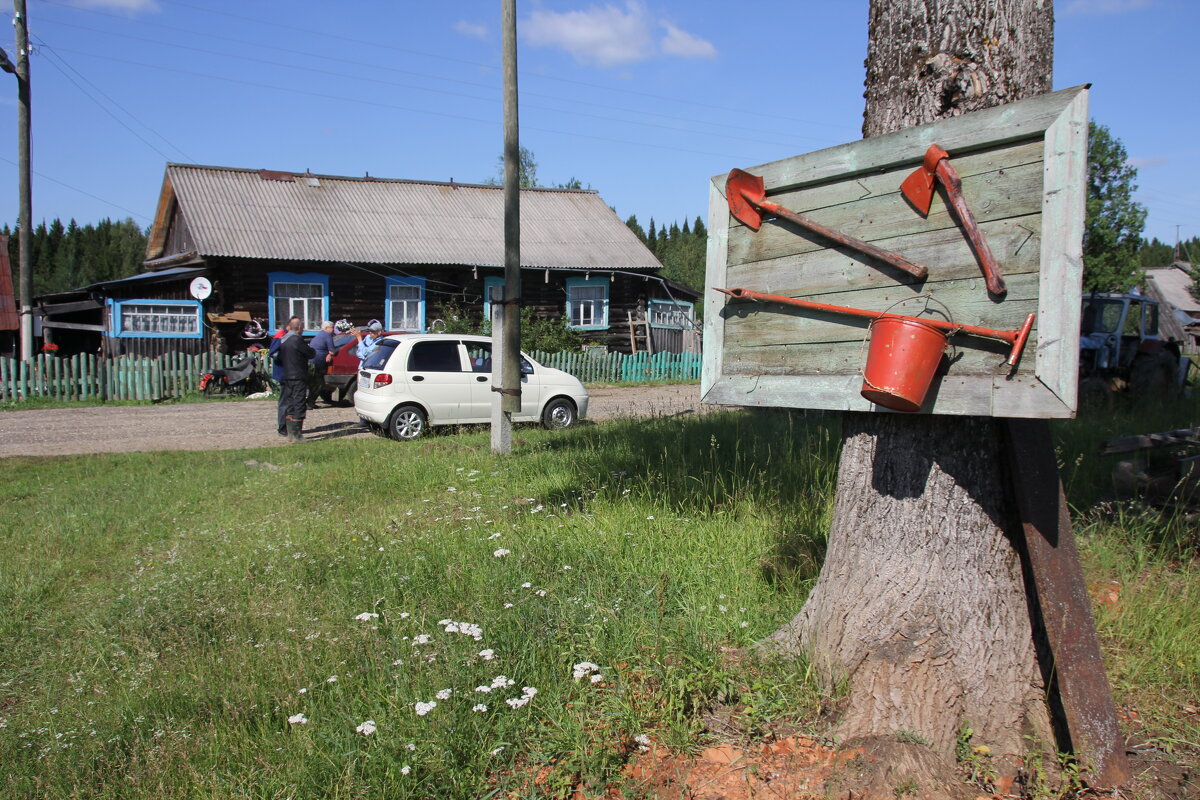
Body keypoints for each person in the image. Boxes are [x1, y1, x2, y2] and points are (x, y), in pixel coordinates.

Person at [277, 317, 316, 442]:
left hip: (287, 375)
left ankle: (290, 434)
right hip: (298, 375)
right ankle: (298, 435)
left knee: (290, 403)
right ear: (298, 328)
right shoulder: (297, 340)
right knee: (299, 403)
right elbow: (310, 353)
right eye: (302, 327)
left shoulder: (284, 340)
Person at [269, 316, 301, 436]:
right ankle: (282, 427)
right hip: (283, 373)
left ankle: (291, 426)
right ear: (290, 326)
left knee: (292, 401)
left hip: (292, 373)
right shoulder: (281, 335)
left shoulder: (291, 336)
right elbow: (273, 353)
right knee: (284, 402)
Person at [307, 320, 336, 408]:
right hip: (317, 362)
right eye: (332, 327)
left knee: (312, 383)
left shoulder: (320, 335)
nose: (333, 329)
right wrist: (330, 353)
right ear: (327, 328)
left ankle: (309, 402)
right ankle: (310, 402)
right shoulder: (327, 335)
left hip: (311, 361)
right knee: (319, 384)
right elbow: (332, 350)